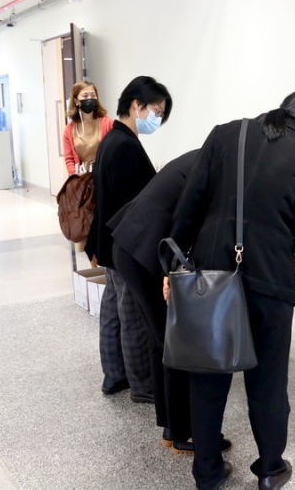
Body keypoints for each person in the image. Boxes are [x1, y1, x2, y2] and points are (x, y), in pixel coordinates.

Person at [168, 87, 295, 490]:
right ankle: (270, 470)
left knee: (208, 375)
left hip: (209, 274)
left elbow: (190, 203)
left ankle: (207, 473)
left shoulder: (227, 133)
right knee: (268, 380)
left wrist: (174, 267)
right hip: (269, 279)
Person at [109, 149, 220, 454]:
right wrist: (170, 272)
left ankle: (172, 427)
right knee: (176, 340)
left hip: (134, 245)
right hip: (144, 251)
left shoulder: (205, 157)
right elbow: (191, 222)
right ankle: (184, 433)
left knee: (163, 339)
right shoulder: (218, 168)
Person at [85, 75, 172, 402]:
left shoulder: (112, 139)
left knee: (113, 308)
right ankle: (142, 385)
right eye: (156, 111)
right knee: (132, 313)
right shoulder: (124, 145)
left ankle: (115, 375)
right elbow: (133, 203)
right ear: (136, 105)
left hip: (110, 239)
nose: (157, 118)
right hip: (126, 242)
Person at [62, 81, 114, 175]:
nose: (89, 99)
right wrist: (77, 177)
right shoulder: (69, 130)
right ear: (76, 101)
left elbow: (115, 152)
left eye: (93, 95)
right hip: (83, 177)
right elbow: (69, 159)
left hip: (105, 175)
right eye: (85, 96)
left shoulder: (108, 123)